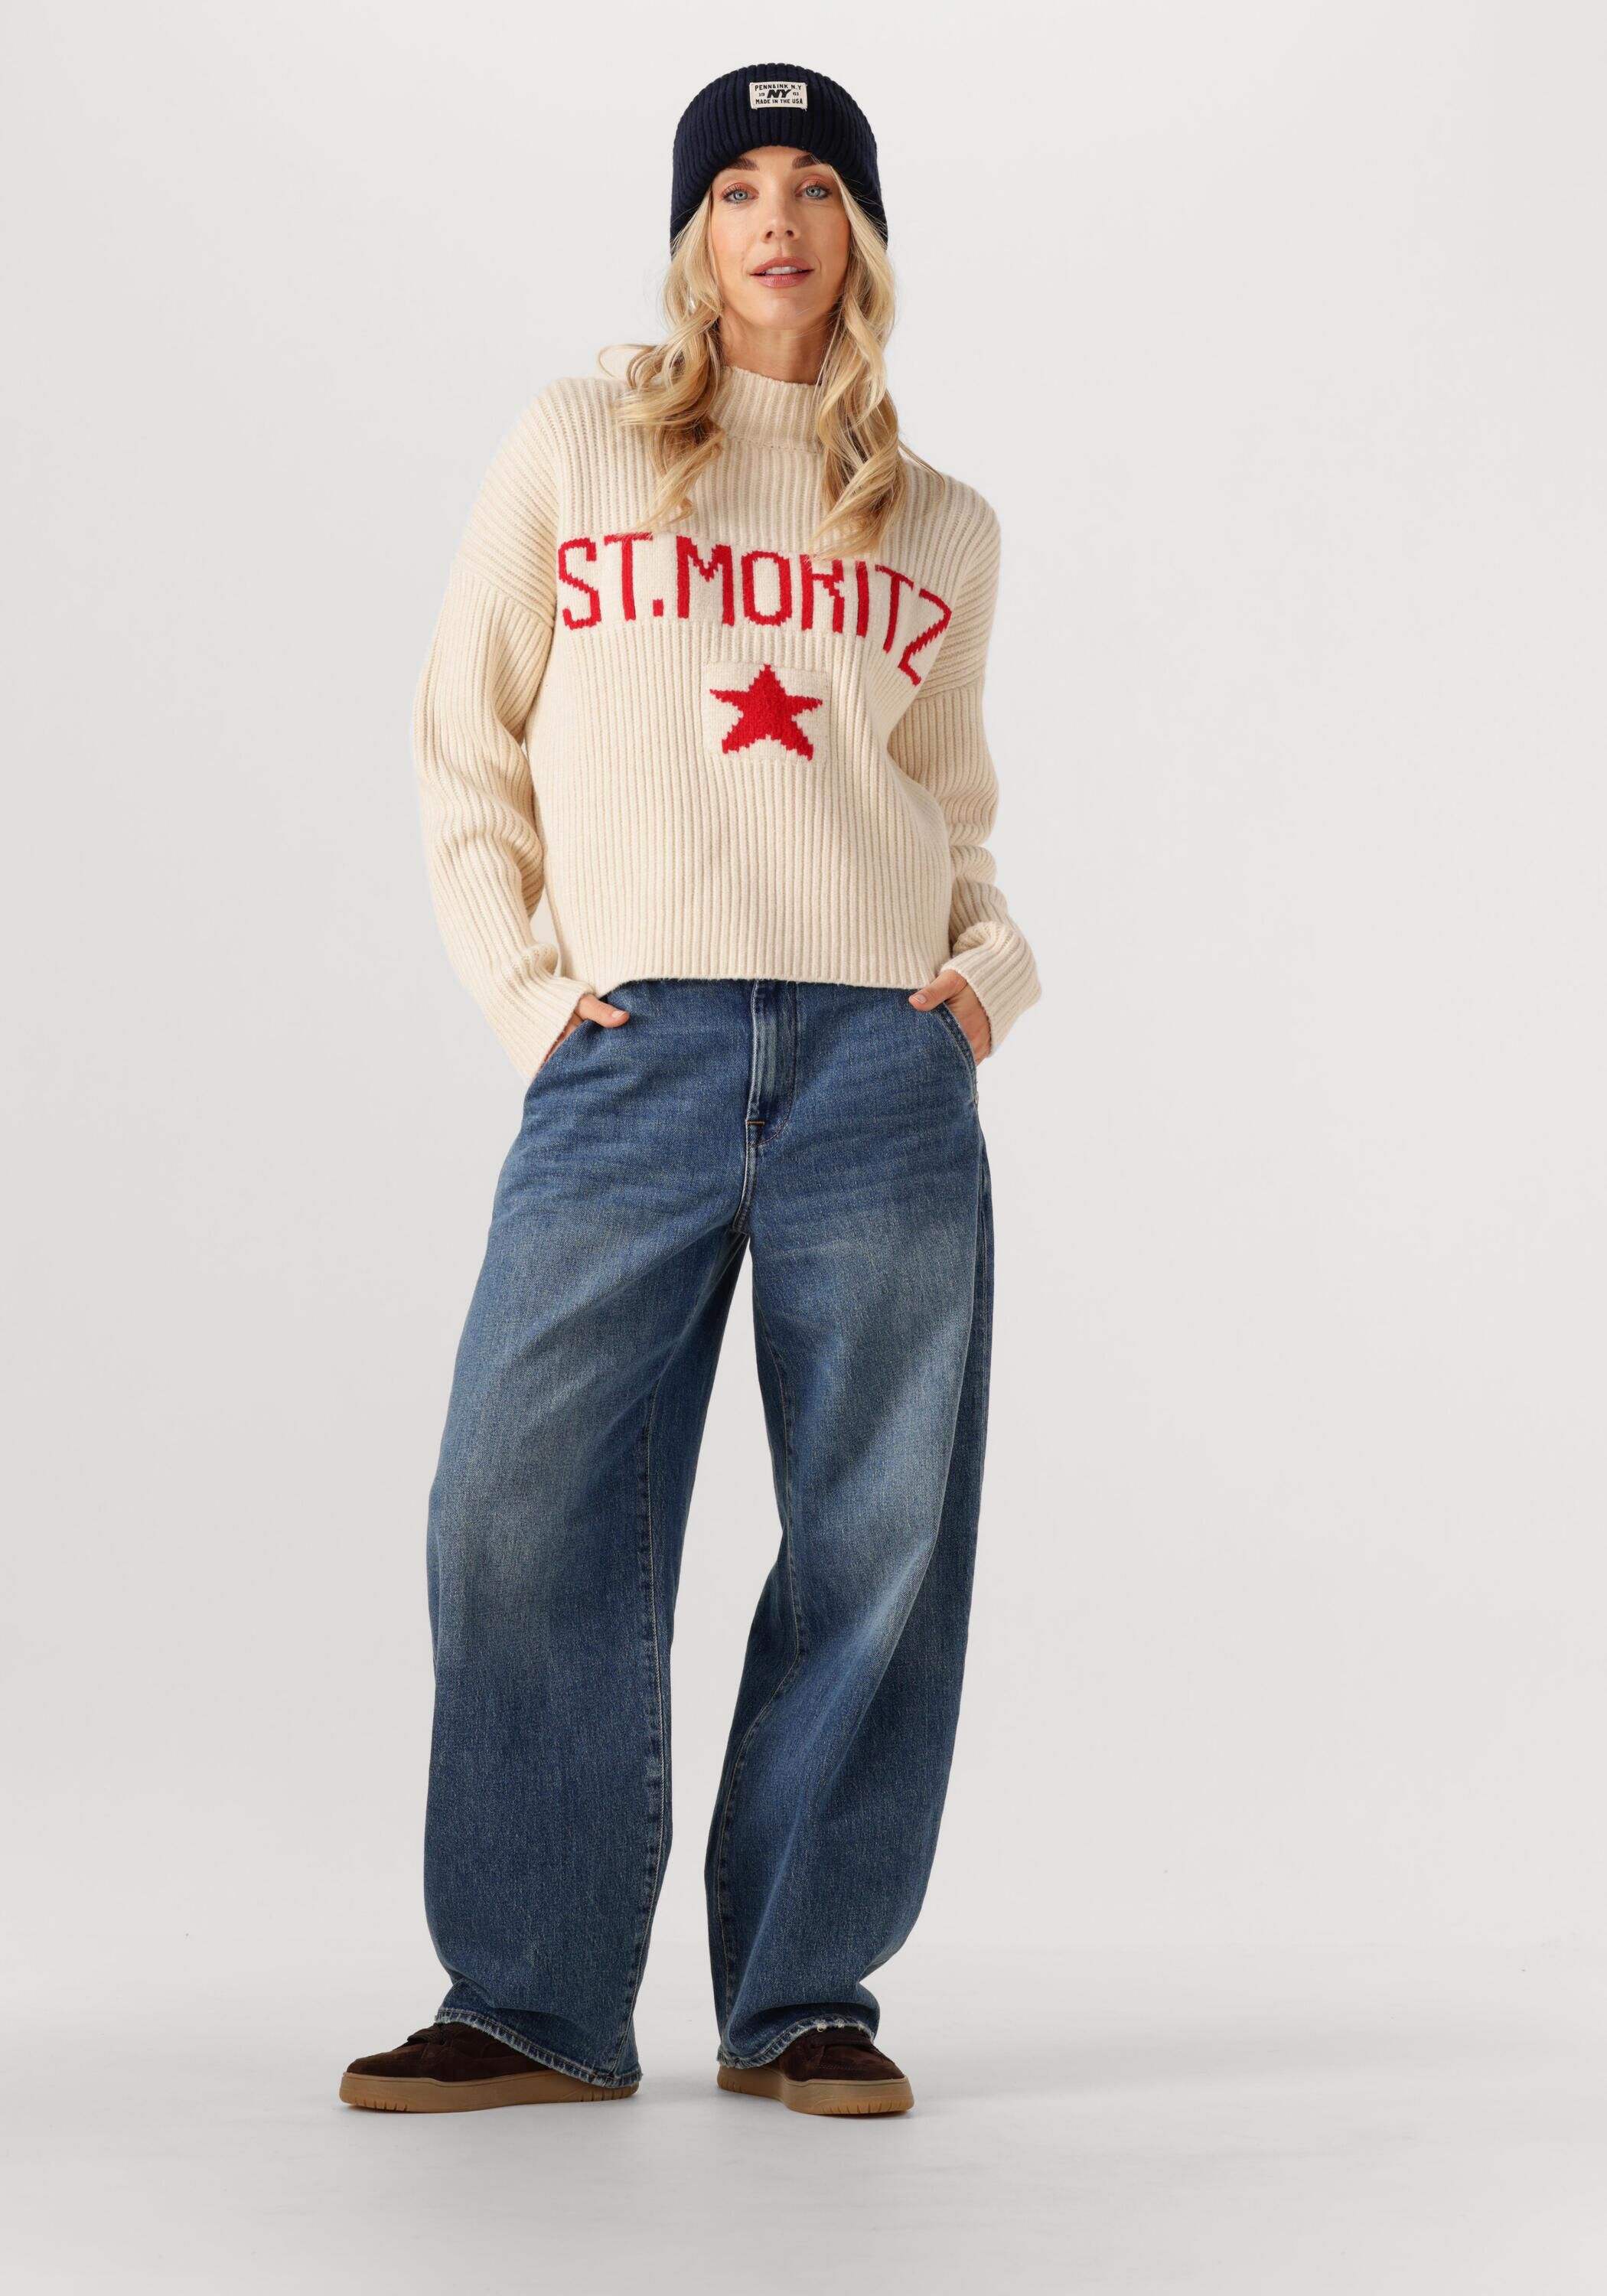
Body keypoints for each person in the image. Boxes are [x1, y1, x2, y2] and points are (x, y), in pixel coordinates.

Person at [340, 60, 1041, 2122]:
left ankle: (801, 1995)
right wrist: (528, 997)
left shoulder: (941, 520)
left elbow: (952, 814)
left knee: (876, 1536)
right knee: (515, 1501)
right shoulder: (576, 443)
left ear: (860, 236)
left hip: (877, 1066)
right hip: (624, 1054)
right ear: (691, 232)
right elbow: (462, 739)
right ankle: (531, 2002)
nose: (776, 221)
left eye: (815, 185)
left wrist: (983, 985)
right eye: (737, 187)